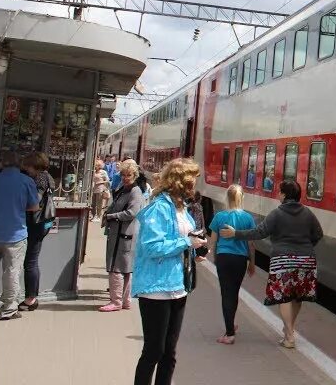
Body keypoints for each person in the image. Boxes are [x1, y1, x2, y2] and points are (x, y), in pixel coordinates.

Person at [219, 179, 323, 349]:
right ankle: (289, 329)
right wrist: (305, 246)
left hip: (283, 259)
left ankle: (289, 336)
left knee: (284, 296)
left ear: (283, 194)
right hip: (306, 260)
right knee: (297, 296)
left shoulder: (277, 213)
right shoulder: (308, 213)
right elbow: (318, 234)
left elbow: (259, 232)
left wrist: (235, 233)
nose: (278, 194)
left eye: (280, 191)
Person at [132, 158, 206, 385]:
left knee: (169, 353)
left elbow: (182, 239)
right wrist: (186, 242)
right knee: (154, 350)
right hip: (156, 287)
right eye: (191, 180)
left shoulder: (182, 208)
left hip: (177, 286)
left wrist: (196, 247)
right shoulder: (159, 207)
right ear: (180, 182)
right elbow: (151, 246)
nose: (195, 185)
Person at [0, 150, 40, 321]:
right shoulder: (26, 181)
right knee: (12, 272)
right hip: (16, 235)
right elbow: (34, 207)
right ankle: (8, 310)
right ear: (19, 164)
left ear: (2, 163)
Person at [206, 185, 256, 344]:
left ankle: (229, 334)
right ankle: (231, 324)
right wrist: (252, 263)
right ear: (241, 198)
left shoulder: (219, 217)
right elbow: (251, 244)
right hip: (240, 260)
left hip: (224, 258)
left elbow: (213, 241)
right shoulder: (248, 218)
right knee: (233, 293)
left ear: (226, 197)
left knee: (226, 293)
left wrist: (214, 257)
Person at [100, 158, 144, 312]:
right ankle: (124, 301)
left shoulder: (135, 191)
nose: (125, 178)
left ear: (135, 176)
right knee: (124, 268)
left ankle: (116, 301)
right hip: (122, 233)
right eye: (123, 175)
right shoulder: (124, 188)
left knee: (117, 268)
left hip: (124, 234)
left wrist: (112, 216)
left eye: (129, 175)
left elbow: (132, 212)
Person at [18, 152, 55, 312]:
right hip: (43, 222)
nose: (25, 169)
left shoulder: (40, 178)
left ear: (35, 165)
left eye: (27, 165)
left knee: (30, 262)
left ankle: (30, 299)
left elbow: (35, 200)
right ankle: (32, 297)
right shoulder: (48, 176)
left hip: (36, 223)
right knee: (32, 260)